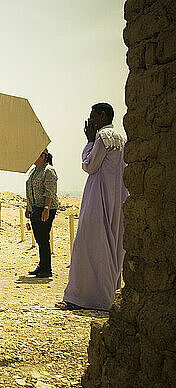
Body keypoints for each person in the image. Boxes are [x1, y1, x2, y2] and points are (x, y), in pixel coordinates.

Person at [59, 103, 128, 311]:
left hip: (97, 200)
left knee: (88, 246)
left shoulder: (102, 137)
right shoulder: (122, 138)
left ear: (103, 115)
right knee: (111, 245)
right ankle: (105, 294)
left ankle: (84, 297)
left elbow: (90, 165)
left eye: (93, 116)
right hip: (115, 201)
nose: (91, 121)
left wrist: (89, 142)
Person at [25, 149, 59, 278]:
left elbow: (50, 191)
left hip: (45, 208)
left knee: (44, 238)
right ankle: (42, 265)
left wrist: (46, 208)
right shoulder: (33, 171)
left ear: (43, 156)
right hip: (35, 208)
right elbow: (30, 189)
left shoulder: (48, 170)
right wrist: (28, 207)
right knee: (39, 238)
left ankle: (46, 269)